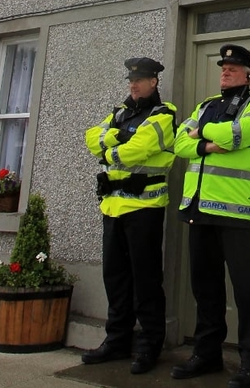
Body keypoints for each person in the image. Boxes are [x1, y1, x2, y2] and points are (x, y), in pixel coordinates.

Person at [170, 44, 250, 388]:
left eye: (233, 67)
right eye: (223, 67)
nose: (226, 71)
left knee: (248, 291)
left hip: (235, 212)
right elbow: (179, 144)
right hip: (198, 210)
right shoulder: (205, 106)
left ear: (248, 74)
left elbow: (239, 134)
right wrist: (208, 142)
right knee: (206, 288)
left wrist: (206, 133)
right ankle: (207, 354)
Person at [82, 57, 177, 375]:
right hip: (112, 207)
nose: (133, 85)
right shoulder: (120, 113)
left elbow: (136, 150)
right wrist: (114, 138)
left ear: (154, 82)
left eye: (140, 80)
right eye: (131, 80)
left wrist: (110, 143)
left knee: (146, 280)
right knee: (116, 278)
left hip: (144, 209)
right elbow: (90, 137)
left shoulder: (164, 115)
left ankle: (150, 344)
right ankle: (117, 340)